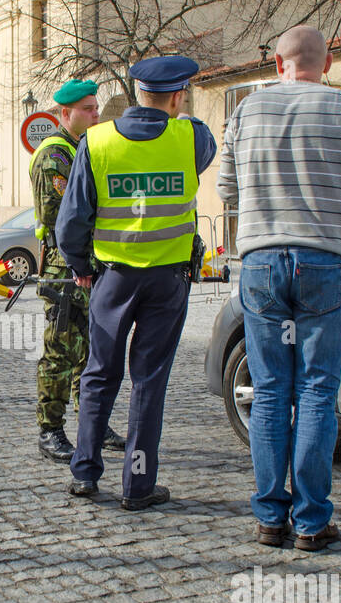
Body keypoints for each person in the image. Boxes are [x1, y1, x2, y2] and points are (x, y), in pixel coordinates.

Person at [216, 24, 341, 551]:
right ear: (329, 62)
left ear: (277, 64)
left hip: (262, 261)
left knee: (270, 390)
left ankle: (271, 517)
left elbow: (227, 188)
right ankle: (313, 522)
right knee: (318, 389)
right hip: (325, 260)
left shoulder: (246, 111)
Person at [55, 55, 216, 511]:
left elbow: (72, 222)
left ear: (135, 90)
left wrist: (80, 264)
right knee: (149, 381)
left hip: (112, 279)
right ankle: (139, 485)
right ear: (179, 95)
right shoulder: (190, 137)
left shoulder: (97, 141)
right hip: (167, 280)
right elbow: (199, 149)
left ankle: (85, 473)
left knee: (99, 374)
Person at [30, 78, 125, 463]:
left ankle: (93, 424)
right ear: (65, 114)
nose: (95, 113)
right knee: (59, 350)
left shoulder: (82, 148)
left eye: (95, 107)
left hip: (87, 266)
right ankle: (49, 430)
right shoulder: (55, 155)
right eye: (87, 108)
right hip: (64, 269)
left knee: (88, 352)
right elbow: (60, 217)